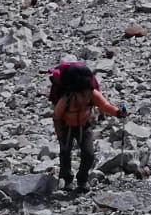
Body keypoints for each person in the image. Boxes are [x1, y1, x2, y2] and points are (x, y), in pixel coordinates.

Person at [51, 62, 127, 193]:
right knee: (65, 153)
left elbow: (105, 106)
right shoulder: (67, 98)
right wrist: (61, 138)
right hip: (66, 127)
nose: (87, 98)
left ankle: (82, 179)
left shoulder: (92, 93)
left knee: (89, 154)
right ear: (77, 92)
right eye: (84, 95)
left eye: (88, 94)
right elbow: (57, 117)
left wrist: (118, 112)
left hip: (83, 126)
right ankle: (67, 180)